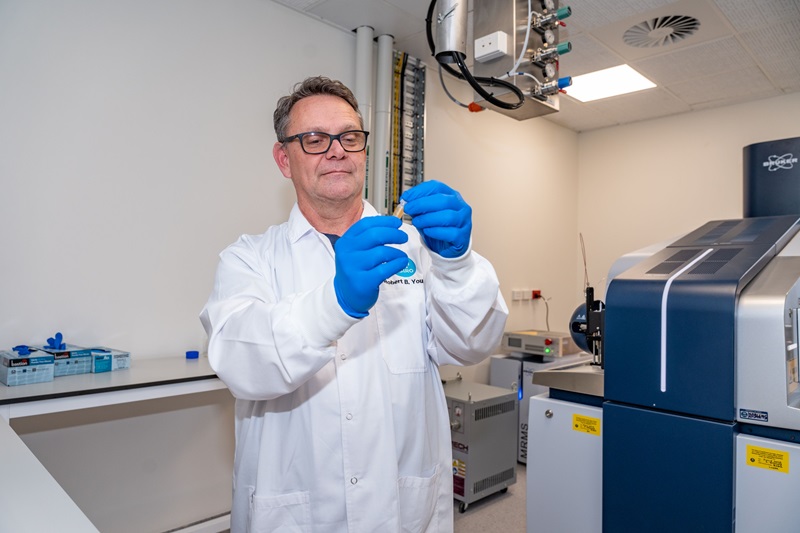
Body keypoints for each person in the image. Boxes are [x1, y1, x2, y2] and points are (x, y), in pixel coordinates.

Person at [200, 76, 508, 533]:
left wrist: (457, 264)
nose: (336, 150)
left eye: (349, 137)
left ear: (364, 149)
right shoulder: (249, 259)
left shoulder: (419, 248)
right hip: (297, 513)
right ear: (284, 159)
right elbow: (240, 363)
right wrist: (335, 302)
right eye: (314, 139)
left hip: (401, 506)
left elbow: (469, 346)